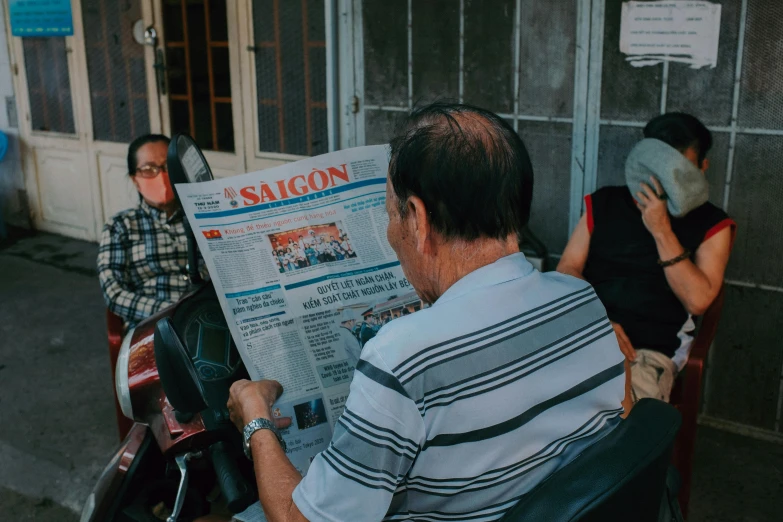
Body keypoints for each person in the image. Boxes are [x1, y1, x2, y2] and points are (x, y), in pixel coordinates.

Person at [226, 102, 627, 522]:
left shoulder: (403, 357)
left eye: (390, 215)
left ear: (417, 219)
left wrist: (256, 419)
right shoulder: (582, 300)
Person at [557, 112, 735, 404]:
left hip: (648, 349)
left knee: (611, 420)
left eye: (680, 170)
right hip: (586, 328)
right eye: (660, 165)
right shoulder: (605, 202)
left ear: (703, 167)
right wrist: (596, 322)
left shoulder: (712, 223)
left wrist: (662, 231)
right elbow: (567, 269)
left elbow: (699, 301)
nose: (667, 178)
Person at [97, 134, 202, 330]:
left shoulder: (200, 218)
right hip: (152, 326)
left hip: (206, 318)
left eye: (167, 167)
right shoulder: (120, 226)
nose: (161, 175)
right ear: (135, 180)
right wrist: (173, 312)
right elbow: (114, 292)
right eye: (148, 169)